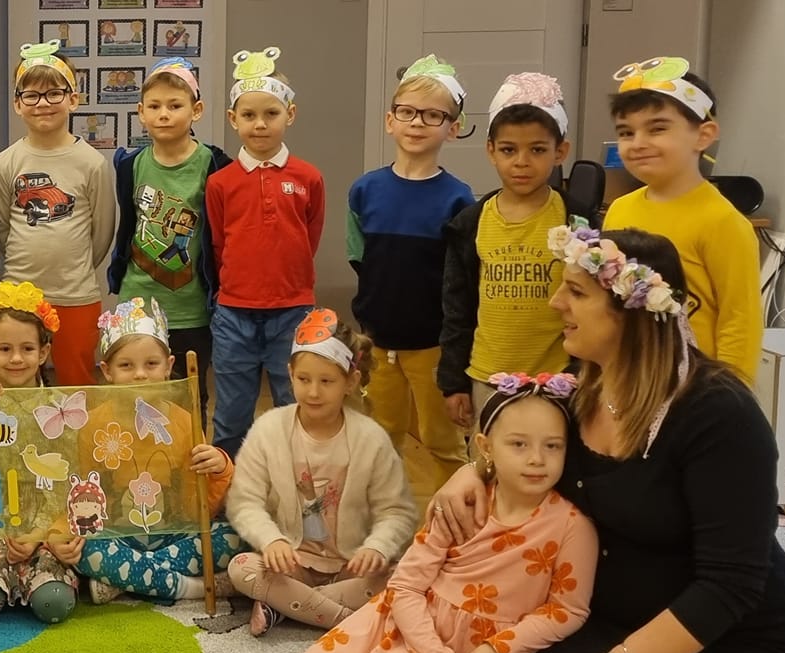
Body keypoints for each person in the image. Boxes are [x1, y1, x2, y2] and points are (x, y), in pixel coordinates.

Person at [426, 225, 785, 653]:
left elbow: (730, 586)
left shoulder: (719, 415)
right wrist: (473, 470)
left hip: (737, 643)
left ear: (634, 312)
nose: (556, 303)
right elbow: (514, 439)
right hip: (614, 618)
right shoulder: (582, 386)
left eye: (576, 292)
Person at [277, 373, 597, 653]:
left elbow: (568, 609)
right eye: (519, 444)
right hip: (415, 631)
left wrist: (501, 649)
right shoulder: (460, 505)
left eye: (553, 446)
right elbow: (406, 586)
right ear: (486, 447)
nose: (536, 459)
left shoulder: (572, 527)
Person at [223, 309, 417, 635]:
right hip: (290, 565)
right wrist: (271, 540)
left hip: (350, 568)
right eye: (303, 379)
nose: (313, 392)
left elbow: (397, 512)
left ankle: (285, 605)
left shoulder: (370, 438)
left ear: (350, 382)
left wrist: (377, 546)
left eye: (326, 381)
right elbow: (244, 501)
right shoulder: (269, 429)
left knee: (405, 575)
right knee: (241, 567)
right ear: (290, 374)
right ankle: (345, 622)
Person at [348, 56, 476, 478]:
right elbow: (359, 257)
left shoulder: (459, 199)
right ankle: (384, 514)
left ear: (453, 127)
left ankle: (451, 517)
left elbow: (461, 279)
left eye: (433, 115)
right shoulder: (365, 190)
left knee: (442, 438)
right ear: (390, 121)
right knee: (379, 438)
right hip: (379, 341)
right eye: (407, 112)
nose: (417, 122)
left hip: (432, 344)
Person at [603, 58, 762, 381]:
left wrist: (729, 395)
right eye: (626, 132)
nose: (638, 143)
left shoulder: (722, 222)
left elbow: (740, 323)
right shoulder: (619, 209)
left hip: (694, 387)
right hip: (630, 380)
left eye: (657, 129)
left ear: (704, 135)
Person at [74, 296, 239, 605]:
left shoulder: (184, 420)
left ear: (168, 367)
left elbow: (198, 507)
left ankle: (129, 578)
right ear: (107, 371)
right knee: (82, 549)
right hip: (117, 537)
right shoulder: (93, 423)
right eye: (126, 365)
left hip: (174, 534)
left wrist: (220, 468)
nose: (140, 374)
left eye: (151, 364)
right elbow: (83, 497)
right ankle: (189, 587)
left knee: (236, 536)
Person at [440, 73, 573, 431]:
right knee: (490, 459)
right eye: (509, 150)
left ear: (560, 151)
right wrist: (454, 382)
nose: (522, 162)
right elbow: (457, 310)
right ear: (491, 150)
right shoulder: (469, 224)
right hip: (488, 378)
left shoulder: (576, 221)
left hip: (559, 380)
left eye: (538, 150)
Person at [206, 47, 325, 444]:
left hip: (292, 311)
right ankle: (230, 480)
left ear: (290, 114)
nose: (260, 124)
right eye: (249, 115)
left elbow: (309, 236)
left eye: (271, 114)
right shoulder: (220, 182)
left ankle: (293, 481)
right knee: (230, 415)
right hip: (234, 314)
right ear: (233, 119)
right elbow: (219, 242)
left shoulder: (308, 177)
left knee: (295, 409)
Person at [0, 280, 81, 624]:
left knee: (53, 604)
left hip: (44, 529)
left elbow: (72, 478)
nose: (16, 358)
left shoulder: (60, 410)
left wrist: (45, 536)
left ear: (44, 352)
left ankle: (44, 579)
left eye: (27, 348)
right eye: (5, 349)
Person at [0, 41, 117, 385]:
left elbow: (102, 231)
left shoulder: (91, 163)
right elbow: (2, 227)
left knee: (76, 380)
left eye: (54, 94)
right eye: (31, 95)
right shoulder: (6, 162)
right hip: (18, 293)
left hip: (76, 294)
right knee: (17, 380)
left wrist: (76, 268)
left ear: (73, 99)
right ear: (18, 104)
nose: (43, 103)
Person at [109, 58, 231, 392]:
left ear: (196, 110)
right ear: (141, 112)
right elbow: (128, 225)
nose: (164, 114)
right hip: (137, 302)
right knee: (135, 392)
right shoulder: (130, 165)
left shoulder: (215, 165)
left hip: (191, 309)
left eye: (175, 106)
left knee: (189, 395)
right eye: (155, 106)